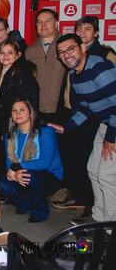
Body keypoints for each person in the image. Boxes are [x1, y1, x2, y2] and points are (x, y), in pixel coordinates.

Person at [50, 34, 116, 224]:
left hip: (112, 126)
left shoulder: (98, 68)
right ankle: (99, 217)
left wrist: (111, 138)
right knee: (93, 170)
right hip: (107, 123)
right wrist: (66, 127)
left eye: (70, 49)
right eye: (61, 52)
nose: (66, 55)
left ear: (82, 48)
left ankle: (110, 226)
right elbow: (86, 108)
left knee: (106, 175)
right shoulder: (74, 74)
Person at [0, 99, 63, 222]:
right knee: (2, 183)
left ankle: (40, 210)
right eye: (14, 110)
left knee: (28, 176)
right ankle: (25, 201)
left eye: (22, 110)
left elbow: (44, 163)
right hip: (22, 172)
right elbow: (9, 163)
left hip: (49, 175)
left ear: (30, 113)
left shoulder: (45, 131)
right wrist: (12, 172)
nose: (17, 113)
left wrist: (17, 167)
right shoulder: (10, 135)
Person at [0, 41, 39, 135]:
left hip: (18, 124)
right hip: (6, 123)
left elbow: (24, 103)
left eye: (10, 52)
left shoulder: (22, 74)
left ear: (18, 55)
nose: (5, 55)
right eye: (2, 53)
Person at [25, 9, 64, 123]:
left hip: (63, 109)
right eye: (39, 22)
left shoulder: (67, 46)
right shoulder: (29, 51)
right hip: (38, 110)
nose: (43, 25)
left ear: (56, 23)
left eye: (48, 21)